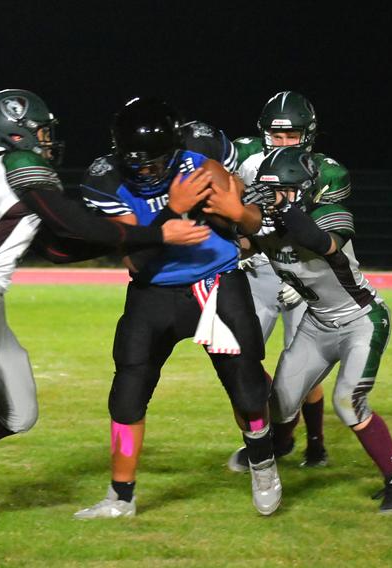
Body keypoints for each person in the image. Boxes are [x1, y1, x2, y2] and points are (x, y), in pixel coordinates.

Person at [0, 89, 212, 533]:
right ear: (15, 131)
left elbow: (59, 248)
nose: (46, 141)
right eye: (41, 131)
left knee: (19, 414)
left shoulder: (4, 174)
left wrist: (142, 235)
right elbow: (71, 223)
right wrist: (158, 230)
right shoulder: (15, 164)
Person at [73, 97, 281, 518]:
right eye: (138, 163)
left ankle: (264, 465)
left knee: (247, 389)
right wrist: (173, 211)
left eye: (155, 162)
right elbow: (138, 258)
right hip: (154, 291)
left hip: (216, 283)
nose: (146, 172)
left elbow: (253, 222)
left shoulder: (202, 155)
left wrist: (238, 209)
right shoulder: (106, 180)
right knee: (127, 395)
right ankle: (121, 497)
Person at [239, 146, 392, 512]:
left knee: (348, 401)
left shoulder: (329, 213)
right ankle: (282, 447)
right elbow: (237, 245)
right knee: (280, 403)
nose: (276, 199)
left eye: (285, 191)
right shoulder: (267, 224)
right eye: (269, 191)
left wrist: (282, 208)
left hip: (361, 320)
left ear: (304, 190)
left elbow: (322, 242)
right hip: (317, 323)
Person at [228, 91, 352, 471]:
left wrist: (297, 276)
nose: (282, 144)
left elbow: (321, 234)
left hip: (305, 271)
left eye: (291, 137)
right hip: (257, 268)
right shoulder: (242, 156)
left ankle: (314, 444)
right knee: (236, 360)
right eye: (276, 136)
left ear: (308, 136)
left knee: (303, 365)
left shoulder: (328, 172)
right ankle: (268, 441)